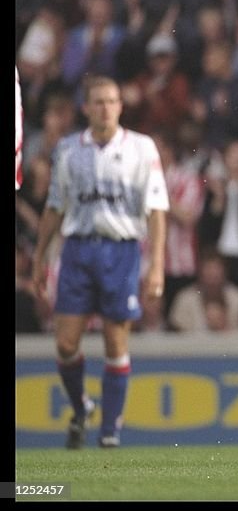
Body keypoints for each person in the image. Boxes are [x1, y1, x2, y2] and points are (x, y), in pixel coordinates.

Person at [31, 76, 168, 449]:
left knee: (115, 340)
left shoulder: (142, 148)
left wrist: (156, 266)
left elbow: (156, 210)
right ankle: (82, 406)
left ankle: (109, 431)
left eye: (112, 101)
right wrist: (40, 257)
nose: (106, 108)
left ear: (120, 106)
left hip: (121, 250)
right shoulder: (68, 150)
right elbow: (55, 207)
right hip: (77, 250)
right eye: (99, 102)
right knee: (65, 343)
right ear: (86, 108)